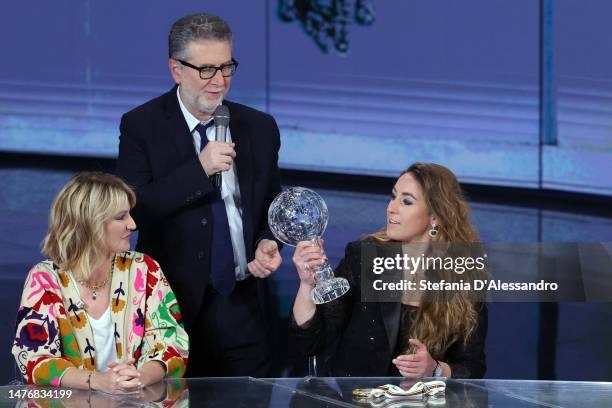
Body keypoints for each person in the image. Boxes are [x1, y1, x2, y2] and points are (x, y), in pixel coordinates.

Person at [116, 12, 282, 377]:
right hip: (170, 307)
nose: (219, 82)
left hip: (244, 303)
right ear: (176, 69)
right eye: (206, 70)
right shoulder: (141, 125)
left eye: (226, 68)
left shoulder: (260, 127)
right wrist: (200, 169)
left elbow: (272, 201)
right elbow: (133, 211)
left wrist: (269, 242)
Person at [291, 163, 487, 378]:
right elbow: (312, 343)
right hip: (355, 399)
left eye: (406, 201)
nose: (391, 207)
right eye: (393, 197)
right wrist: (306, 285)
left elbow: (473, 367)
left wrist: (435, 369)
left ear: (435, 216)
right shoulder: (364, 256)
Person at [12, 172, 188, 392]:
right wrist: (99, 381)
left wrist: (138, 377)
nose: (132, 224)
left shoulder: (145, 269)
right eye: (121, 217)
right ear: (90, 222)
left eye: (129, 215)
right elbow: (34, 359)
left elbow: (172, 344)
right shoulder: (44, 279)